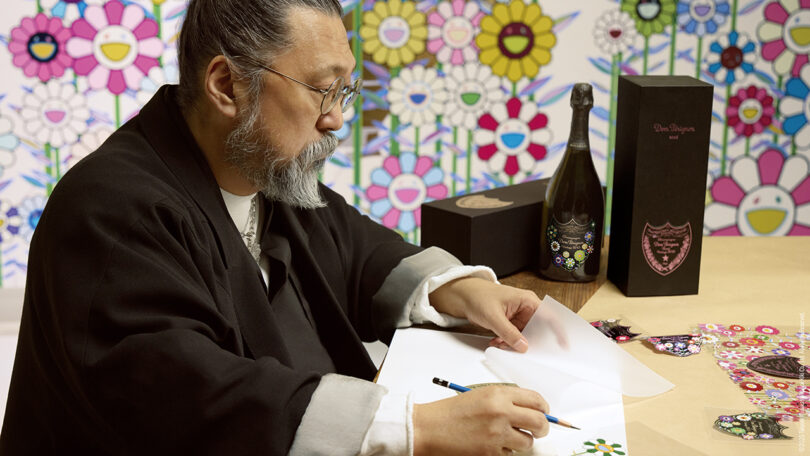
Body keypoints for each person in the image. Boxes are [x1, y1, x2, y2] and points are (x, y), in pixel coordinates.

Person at [1, 0, 565, 454]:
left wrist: (456, 287)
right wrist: (414, 429)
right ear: (226, 85)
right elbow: (194, 400)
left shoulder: (263, 171)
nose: (336, 117)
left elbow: (357, 246)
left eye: (344, 90)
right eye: (322, 88)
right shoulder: (110, 211)